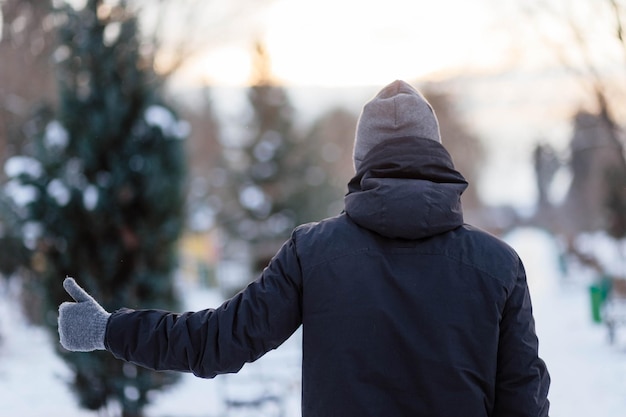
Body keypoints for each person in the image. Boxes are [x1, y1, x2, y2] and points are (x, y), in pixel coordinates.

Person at [58, 80, 550, 417]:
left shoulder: (314, 253)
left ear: (363, 161)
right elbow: (523, 400)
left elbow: (217, 342)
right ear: (437, 156)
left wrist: (111, 330)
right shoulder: (497, 266)